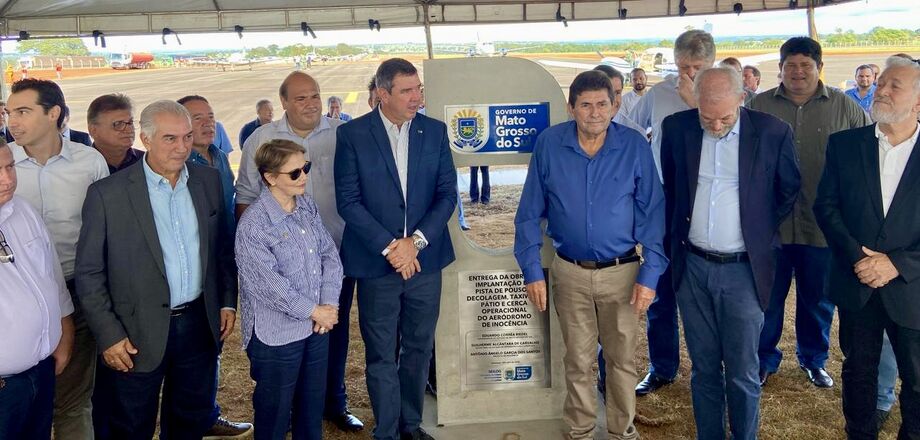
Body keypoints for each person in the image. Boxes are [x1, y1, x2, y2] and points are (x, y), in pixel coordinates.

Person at [515, 69, 666, 440]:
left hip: (623, 273)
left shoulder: (634, 146)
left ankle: (620, 432)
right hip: (570, 273)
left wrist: (650, 277)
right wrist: (533, 269)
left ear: (615, 106)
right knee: (578, 361)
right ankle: (580, 432)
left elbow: (653, 213)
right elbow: (529, 213)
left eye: (602, 104)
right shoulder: (549, 145)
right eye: (585, 105)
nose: (594, 112)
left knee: (621, 362)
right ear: (571, 108)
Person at [75, 100, 238, 439]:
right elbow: (89, 273)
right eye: (170, 139)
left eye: (187, 137)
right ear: (145, 139)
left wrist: (225, 301)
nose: (182, 148)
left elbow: (221, 249)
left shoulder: (207, 181)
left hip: (198, 326)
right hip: (134, 334)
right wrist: (110, 334)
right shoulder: (108, 194)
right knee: (129, 426)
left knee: (189, 421)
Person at [661, 67, 800, 439]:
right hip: (693, 268)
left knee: (741, 371)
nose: (716, 125)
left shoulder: (772, 132)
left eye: (724, 117)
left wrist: (756, 229)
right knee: (704, 368)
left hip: (743, 270)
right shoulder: (677, 129)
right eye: (707, 117)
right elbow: (673, 192)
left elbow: (788, 190)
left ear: (743, 98)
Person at [334, 58, 457, 440]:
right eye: (407, 91)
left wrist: (415, 244)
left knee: (419, 349)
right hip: (376, 265)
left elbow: (447, 194)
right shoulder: (353, 134)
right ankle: (386, 431)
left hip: (426, 262)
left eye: (418, 89)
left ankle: (410, 425)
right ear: (382, 94)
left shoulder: (434, 132)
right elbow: (348, 201)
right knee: (381, 354)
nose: (417, 97)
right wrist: (392, 248)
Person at [236, 71, 364, 433]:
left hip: (334, 259)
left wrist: (324, 306)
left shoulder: (341, 133)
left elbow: (328, 253)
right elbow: (245, 198)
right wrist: (312, 309)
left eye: (315, 96)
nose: (310, 103)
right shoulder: (261, 140)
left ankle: (333, 404)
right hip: (283, 286)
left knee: (330, 342)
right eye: (301, 98)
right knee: (282, 380)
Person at [749, 37, 872, 388]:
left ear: (819, 67)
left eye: (806, 65)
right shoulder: (758, 106)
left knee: (817, 299)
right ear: (781, 68)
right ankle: (763, 358)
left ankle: (813, 359)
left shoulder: (845, 108)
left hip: (822, 227)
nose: (798, 72)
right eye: (791, 65)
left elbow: (863, 162)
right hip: (771, 226)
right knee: (767, 297)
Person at [814, 55, 920, 440]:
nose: (883, 89)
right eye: (882, 82)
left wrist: (897, 264)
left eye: (895, 85)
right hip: (857, 283)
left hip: (912, 287)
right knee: (858, 373)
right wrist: (861, 260)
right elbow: (826, 207)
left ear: (919, 101)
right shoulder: (845, 145)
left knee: (918, 378)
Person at [7, 78, 109, 439]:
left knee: (73, 399)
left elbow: (105, 233)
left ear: (54, 114)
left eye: (22, 111)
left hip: (76, 292)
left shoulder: (89, 162)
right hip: (14, 304)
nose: (12, 121)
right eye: (8, 112)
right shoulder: (5, 165)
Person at [236, 138, 343, 440]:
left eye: (305, 168)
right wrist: (315, 311)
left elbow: (329, 257)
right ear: (270, 177)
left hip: (317, 329)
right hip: (277, 336)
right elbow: (269, 286)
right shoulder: (254, 224)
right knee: (275, 414)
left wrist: (330, 305)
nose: (304, 177)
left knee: (311, 410)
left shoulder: (306, 206)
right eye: (294, 173)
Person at [629, 29, 716, 396]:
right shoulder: (659, 93)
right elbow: (631, 126)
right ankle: (663, 366)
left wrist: (696, 102)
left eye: (697, 67)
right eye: (684, 66)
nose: (689, 74)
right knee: (659, 285)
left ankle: (711, 367)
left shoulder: (724, 93)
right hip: (663, 199)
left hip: (707, 200)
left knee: (705, 289)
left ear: (710, 64)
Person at [177, 95, 252, 439]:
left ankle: (206, 413)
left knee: (214, 341)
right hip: (199, 267)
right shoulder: (182, 162)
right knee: (197, 348)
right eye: (197, 118)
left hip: (224, 258)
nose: (207, 123)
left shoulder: (219, 156)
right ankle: (196, 416)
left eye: (210, 116)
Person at [0, 138, 75, 439]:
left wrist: (64, 329)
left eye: (9, 167)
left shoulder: (23, 211)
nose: (7, 179)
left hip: (41, 373)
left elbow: (52, 276)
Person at [87, 93, 144, 173]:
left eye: (130, 122)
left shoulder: (148, 163)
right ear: (93, 130)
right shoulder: (81, 166)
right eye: (118, 124)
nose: (129, 129)